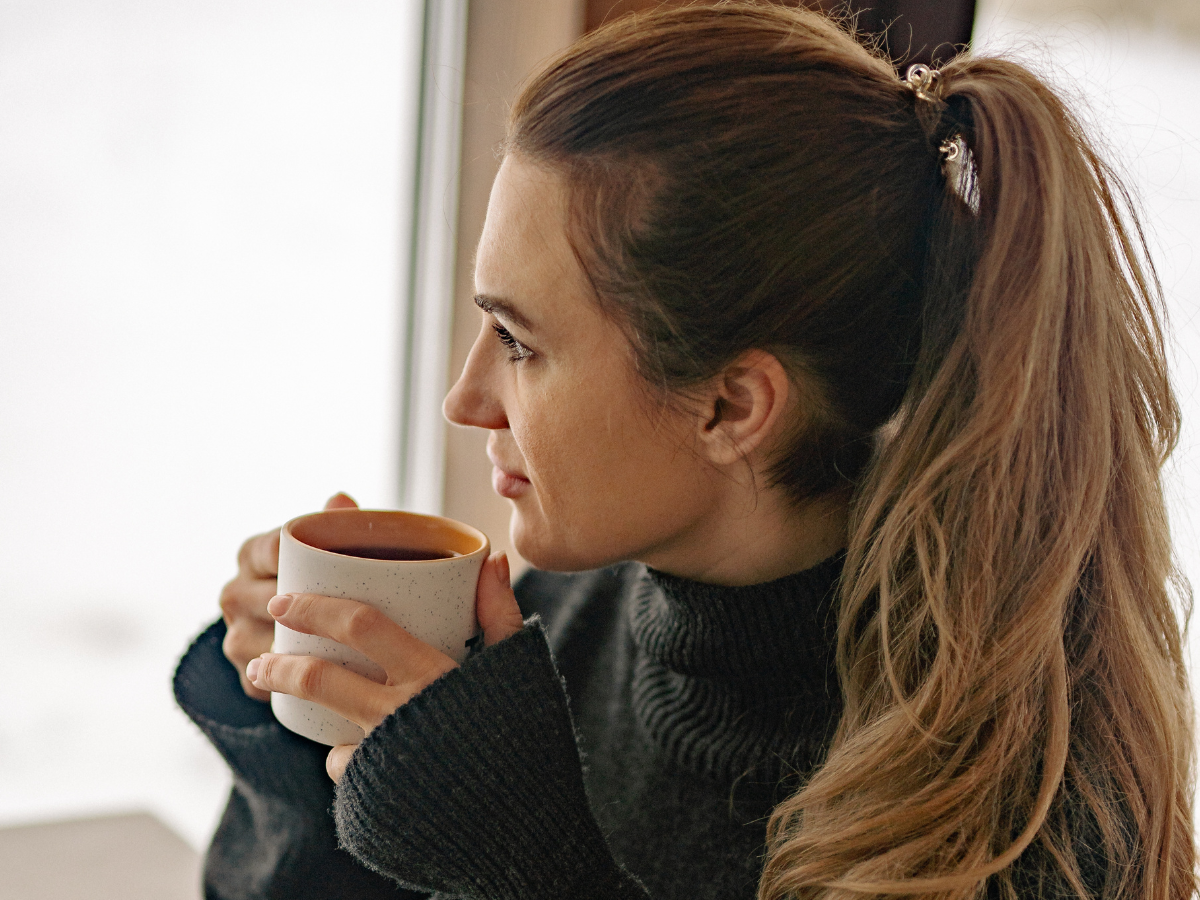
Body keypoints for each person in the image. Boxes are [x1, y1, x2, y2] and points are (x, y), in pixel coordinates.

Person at [174, 4, 1197, 899]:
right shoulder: (578, 621)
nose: (466, 400)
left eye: (522, 342)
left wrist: (525, 866)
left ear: (731, 405)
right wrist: (308, 752)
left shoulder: (1023, 817)